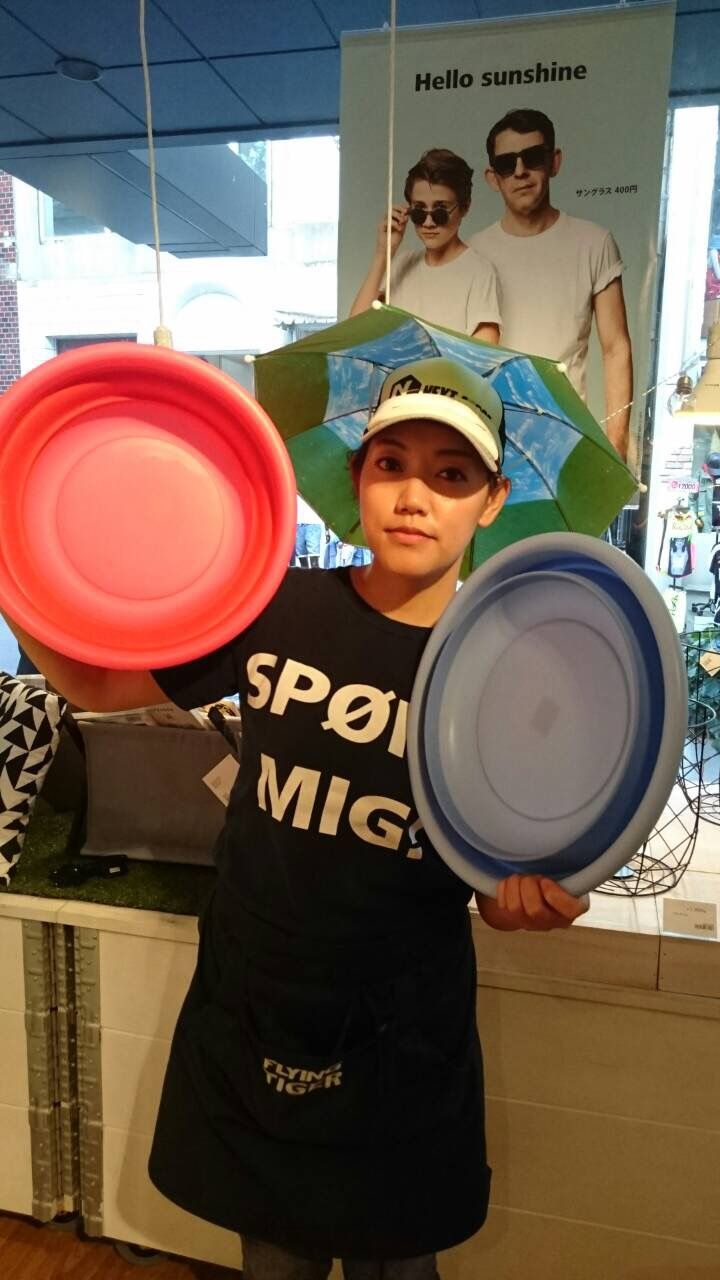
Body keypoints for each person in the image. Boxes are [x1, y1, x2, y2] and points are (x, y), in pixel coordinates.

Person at [2, 356, 589, 1280]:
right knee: (274, 1263)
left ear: (492, 500)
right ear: (356, 478)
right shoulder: (277, 607)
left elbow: (497, 890)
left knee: (400, 1269)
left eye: (451, 475)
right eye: (391, 464)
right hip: (255, 1000)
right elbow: (96, 686)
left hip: (405, 1033)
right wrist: (16, 572)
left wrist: (524, 907)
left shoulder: (505, 670)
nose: (415, 496)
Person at [470, 108, 633, 460]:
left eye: (532, 157)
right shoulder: (474, 252)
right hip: (488, 439)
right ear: (492, 177)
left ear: (554, 162)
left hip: (565, 440)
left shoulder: (594, 243)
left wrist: (616, 447)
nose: (520, 171)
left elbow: (616, 347)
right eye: (506, 163)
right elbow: (465, 356)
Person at [351, 148, 501, 342]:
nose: (428, 223)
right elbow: (354, 332)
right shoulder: (402, 263)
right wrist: (383, 252)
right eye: (419, 211)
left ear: (465, 207)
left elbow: (483, 353)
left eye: (440, 211)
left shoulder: (479, 272)